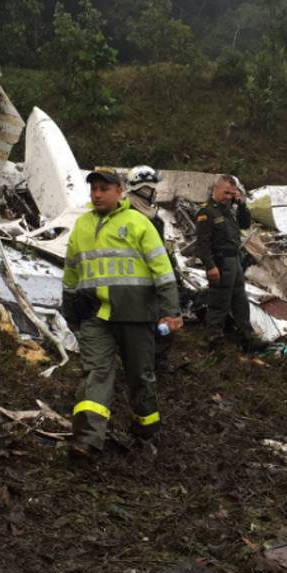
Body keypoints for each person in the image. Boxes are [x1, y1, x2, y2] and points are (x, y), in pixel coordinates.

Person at [62, 168, 182, 455]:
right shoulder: (82, 226)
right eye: (94, 190)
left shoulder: (139, 224)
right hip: (96, 316)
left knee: (140, 377)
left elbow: (162, 271)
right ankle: (87, 440)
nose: (97, 195)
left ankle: (146, 432)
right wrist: (70, 313)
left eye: (104, 189)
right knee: (96, 375)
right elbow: (71, 272)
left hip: (136, 315)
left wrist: (170, 311)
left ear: (120, 191)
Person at [195, 175, 259, 351]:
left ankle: (248, 337)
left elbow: (245, 224)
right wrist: (210, 266)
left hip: (235, 261)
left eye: (232, 194)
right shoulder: (206, 211)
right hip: (221, 262)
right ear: (216, 189)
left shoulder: (229, 209)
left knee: (240, 300)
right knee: (219, 300)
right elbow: (202, 243)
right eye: (226, 193)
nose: (229, 197)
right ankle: (214, 337)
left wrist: (242, 205)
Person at [126, 165, 179, 372]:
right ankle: (143, 363)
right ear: (145, 190)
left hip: (157, 277)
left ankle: (159, 360)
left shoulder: (153, 217)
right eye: (152, 188)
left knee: (164, 319)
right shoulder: (127, 216)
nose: (155, 192)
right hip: (136, 281)